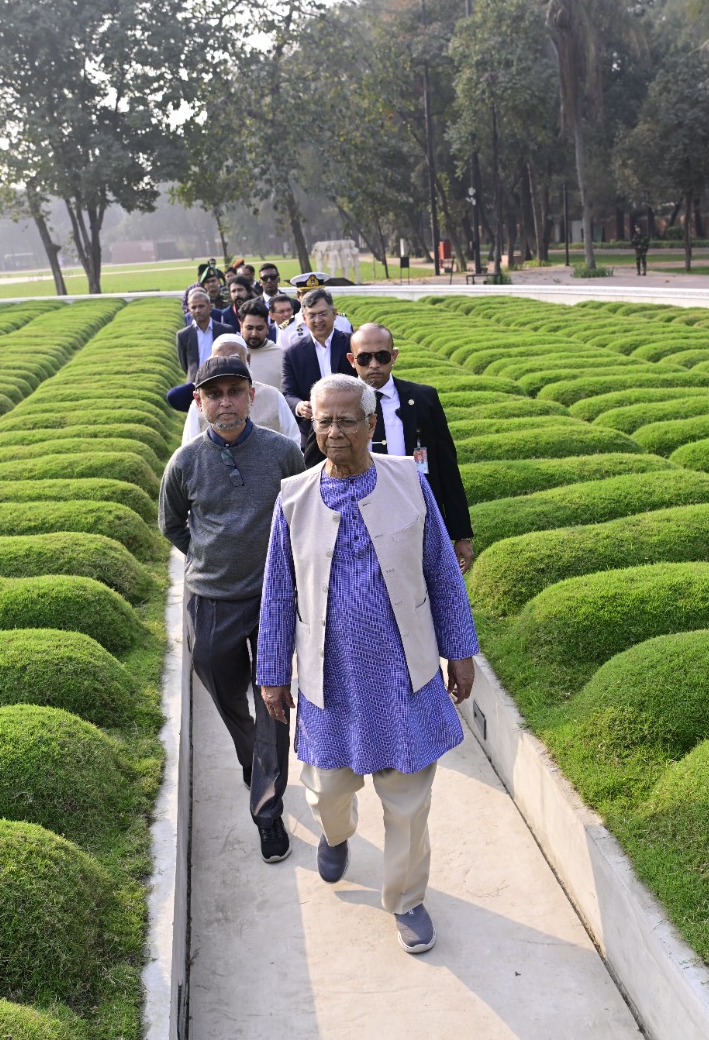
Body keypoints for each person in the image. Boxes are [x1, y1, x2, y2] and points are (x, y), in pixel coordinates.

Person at [256, 373, 479, 955]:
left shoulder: (409, 483)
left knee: (408, 802)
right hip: (332, 679)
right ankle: (338, 833)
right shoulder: (294, 497)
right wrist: (273, 673)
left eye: (347, 420)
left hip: (405, 677)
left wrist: (461, 652)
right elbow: (278, 592)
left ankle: (407, 899)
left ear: (371, 424)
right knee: (327, 789)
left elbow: (442, 575)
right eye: (323, 421)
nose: (334, 432)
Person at [160, 355, 306, 864]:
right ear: (199, 402)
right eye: (213, 393)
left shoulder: (284, 452)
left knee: (272, 700)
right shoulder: (184, 463)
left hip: (271, 599)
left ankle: (268, 811)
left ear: (251, 395)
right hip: (212, 601)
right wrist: (208, 556)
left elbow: (302, 511)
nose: (225, 402)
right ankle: (255, 758)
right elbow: (172, 525)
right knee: (226, 694)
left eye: (234, 392)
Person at [347, 322, 474, 573]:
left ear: (394, 356)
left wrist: (461, 533)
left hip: (417, 516)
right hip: (360, 521)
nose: (374, 365)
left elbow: (447, 467)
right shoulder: (337, 403)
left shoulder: (424, 398)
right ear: (352, 360)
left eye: (382, 356)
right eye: (364, 358)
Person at [181, 335, 295, 442]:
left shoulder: (273, 397)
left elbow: (294, 441)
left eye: (234, 359)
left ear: (248, 360)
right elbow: (188, 450)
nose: (225, 403)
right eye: (220, 360)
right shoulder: (200, 403)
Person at [281, 287, 355, 445]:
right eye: (312, 315)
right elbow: (288, 393)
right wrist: (300, 406)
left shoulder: (353, 344)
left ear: (334, 314)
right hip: (312, 431)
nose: (318, 320)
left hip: (352, 425)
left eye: (322, 314)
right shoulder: (293, 353)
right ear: (304, 318)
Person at [236, 298, 285, 388]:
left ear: (267, 327)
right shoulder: (228, 351)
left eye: (259, 328)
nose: (254, 334)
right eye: (249, 328)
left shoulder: (280, 355)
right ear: (241, 326)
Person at [178, 290, 221, 381]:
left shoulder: (224, 330)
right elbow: (185, 364)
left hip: (220, 379)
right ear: (189, 310)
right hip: (195, 382)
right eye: (193, 307)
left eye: (201, 306)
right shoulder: (183, 335)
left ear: (210, 307)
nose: (197, 310)